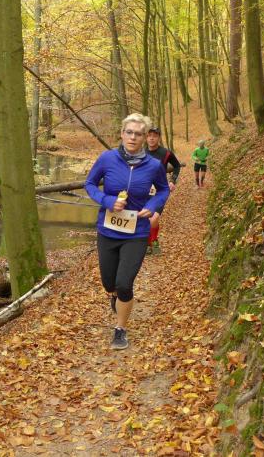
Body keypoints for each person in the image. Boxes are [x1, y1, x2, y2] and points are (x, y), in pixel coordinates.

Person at [85, 113, 170, 350]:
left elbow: (163, 190)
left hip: (137, 232)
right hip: (108, 230)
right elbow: (90, 184)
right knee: (109, 283)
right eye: (129, 132)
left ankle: (120, 329)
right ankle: (114, 295)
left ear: (145, 138)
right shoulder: (107, 158)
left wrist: (153, 206)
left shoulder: (153, 165)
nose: (133, 137)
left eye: (138, 134)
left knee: (124, 283)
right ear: (122, 134)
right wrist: (107, 200)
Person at [145, 126, 181, 255]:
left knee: (154, 218)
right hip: (144, 190)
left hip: (160, 190)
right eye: (149, 136)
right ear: (146, 138)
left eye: (154, 136)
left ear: (159, 138)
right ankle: (148, 243)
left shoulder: (166, 153)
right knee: (147, 217)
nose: (151, 138)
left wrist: (172, 180)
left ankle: (153, 240)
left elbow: (177, 166)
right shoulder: (141, 153)